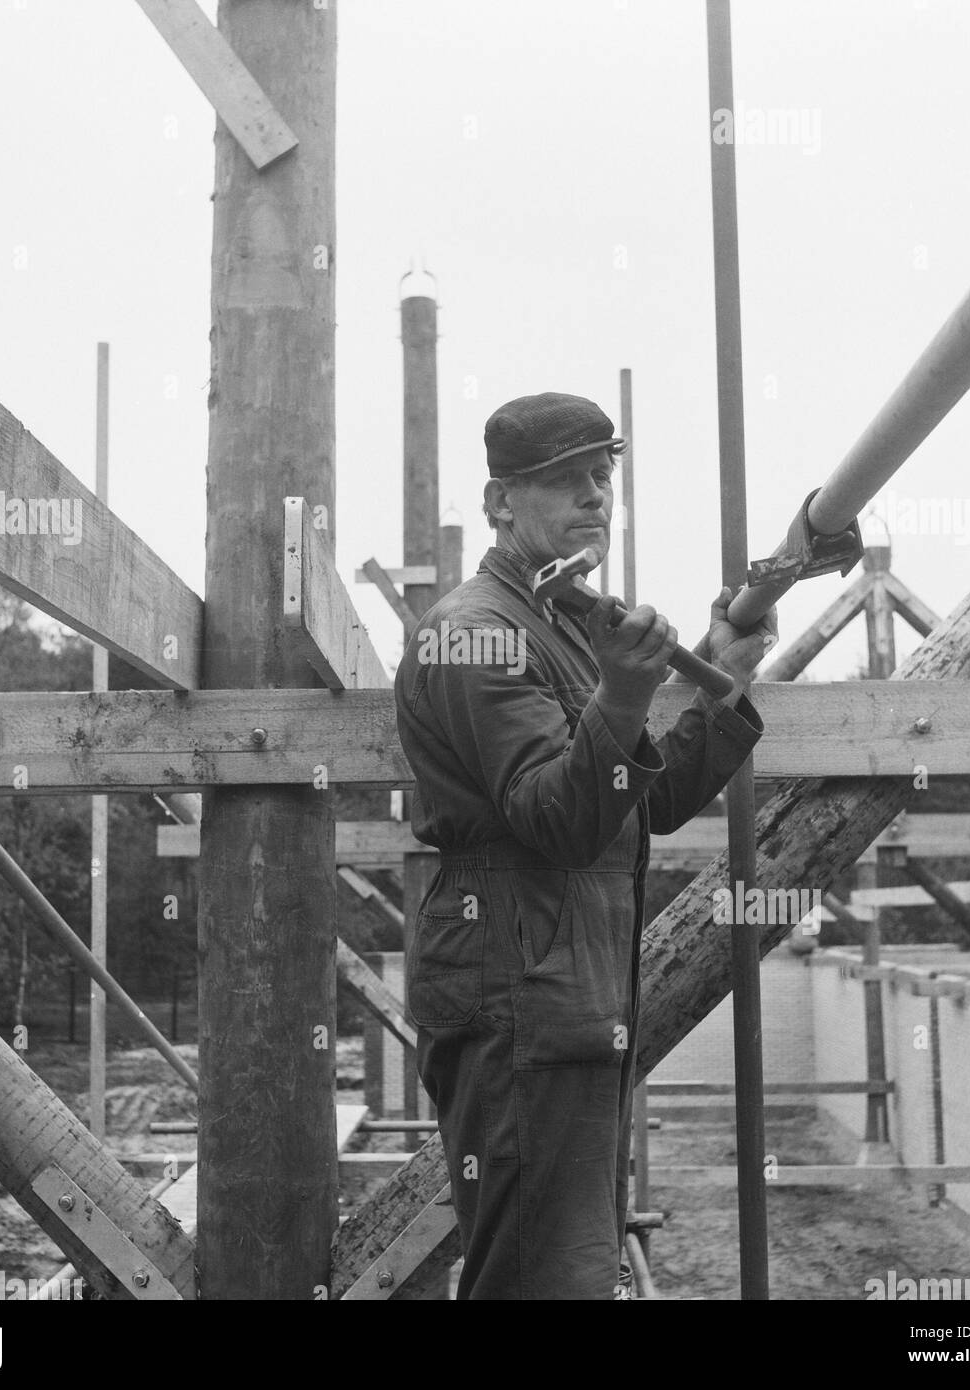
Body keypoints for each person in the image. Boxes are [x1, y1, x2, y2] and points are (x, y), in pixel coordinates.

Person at [394, 391, 775, 1299]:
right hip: (522, 1001)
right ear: (498, 503)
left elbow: (642, 804)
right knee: (540, 1278)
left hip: (564, 999)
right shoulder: (474, 635)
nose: (595, 495)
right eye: (565, 480)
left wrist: (721, 679)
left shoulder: (562, 625)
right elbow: (557, 819)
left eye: (602, 476)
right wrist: (624, 695)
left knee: (567, 1266)